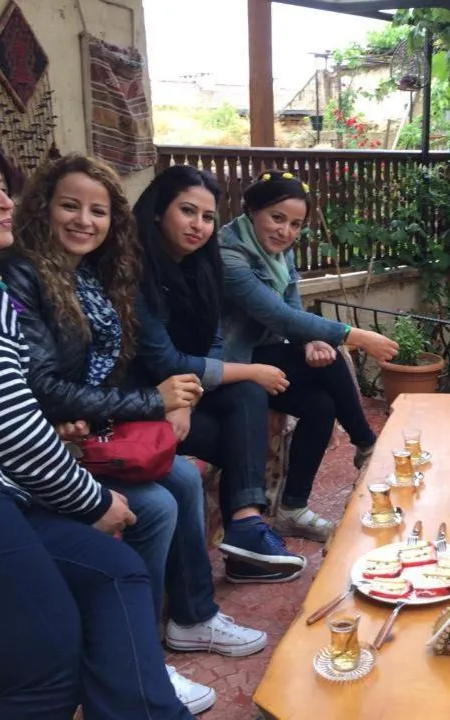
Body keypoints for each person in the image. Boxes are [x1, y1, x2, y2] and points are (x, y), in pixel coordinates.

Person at [1, 153, 265, 714]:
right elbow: (39, 382)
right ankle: (139, 659)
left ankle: (192, 618)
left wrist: (106, 413)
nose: (84, 220)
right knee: (160, 505)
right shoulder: (22, 274)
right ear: (42, 208)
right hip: (42, 445)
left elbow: (106, 366)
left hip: (90, 427)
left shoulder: (96, 274)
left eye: (97, 211)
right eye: (70, 206)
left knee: (186, 481)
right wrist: (154, 402)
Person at [0, 135, 194, 719]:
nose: (4, 203)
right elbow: (13, 418)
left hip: (7, 477)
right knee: (42, 673)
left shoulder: (93, 279)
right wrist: (92, 501)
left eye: (3, 190)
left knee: (116, 569)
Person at [132, 164, 307, 583]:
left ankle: (246, 528)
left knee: (248, 396)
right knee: (243, 425)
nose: (199, 225)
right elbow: (161, 360)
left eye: (208, 217)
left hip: (181, 392)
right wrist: (183, 398)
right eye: (187, 212)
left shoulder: (201, 265)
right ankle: (246, 547)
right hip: (142, 399)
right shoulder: (135, 272)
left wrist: (190, 397)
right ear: (159, 211)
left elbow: (211, 339)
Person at [218, 168, 398, 541]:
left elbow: (290, 301)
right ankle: (367, 444)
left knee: (320, 404)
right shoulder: (229, 254)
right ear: (253, 210)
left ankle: (291, 509)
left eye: (296, 224)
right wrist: (356, 335)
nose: (286, 231)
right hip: (231, 362)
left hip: (265, 350)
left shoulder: (277, 251)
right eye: (277, 218)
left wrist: (307, 341)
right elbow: (276, 314)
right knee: (333, 354)